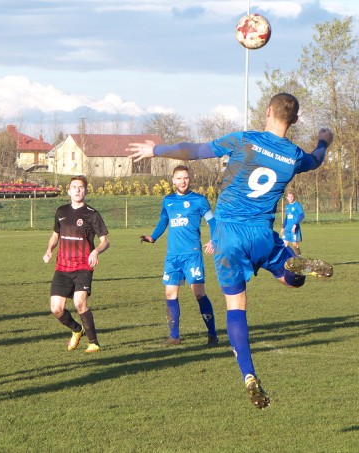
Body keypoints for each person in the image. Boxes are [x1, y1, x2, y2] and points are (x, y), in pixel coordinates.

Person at [127, 92, 334, 409]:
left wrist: (155, 149)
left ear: (267, 111)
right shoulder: (293, 155)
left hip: (227, 237)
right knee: (292, 279)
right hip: (262, 235)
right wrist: (323, 140)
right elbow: (317, 159)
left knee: (236, 307)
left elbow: (194, 151)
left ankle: (249, 376)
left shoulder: (244, 140)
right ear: (293, 120)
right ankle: (298, 268)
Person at [140, 165, 218, 347]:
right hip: (172, 256)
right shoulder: (168, 201)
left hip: (192, 254)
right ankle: (174, 336)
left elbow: (213, 222)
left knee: (198, 293)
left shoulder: (199, 200)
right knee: (170, 294)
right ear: (173, 180)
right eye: (179, 178)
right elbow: (163, 221)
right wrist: (153, 237)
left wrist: (214, 240)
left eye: (186, 178)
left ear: (189, 180)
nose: (183, 181)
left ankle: (212, 334)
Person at [42, 175, 110, 353]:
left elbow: (105, 241)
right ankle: (77, 330)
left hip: (83, 266)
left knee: (80, 303)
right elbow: (56, 235)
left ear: (85, 190)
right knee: (56, 309)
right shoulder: (61, 211)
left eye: (81, 187)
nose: (78, 190)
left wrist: (95, 251)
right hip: (62, 267)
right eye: (74, 187)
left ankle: (93, 342)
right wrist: (49, 249)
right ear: (69, 191)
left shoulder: (92, 214)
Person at [281, 191, 305, 256]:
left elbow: (302, 215)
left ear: (294, 197)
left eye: (292, 197)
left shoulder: (297, 205)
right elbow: (287, 217)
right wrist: (283, 227)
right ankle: (290, 258)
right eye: (289, 197)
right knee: (284, 244)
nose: (291, 198)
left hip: (294, 228)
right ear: (287, 198)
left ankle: (299, 258)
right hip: (287, 229)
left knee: (295, 245)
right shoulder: (287, 206)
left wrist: (295, 224)